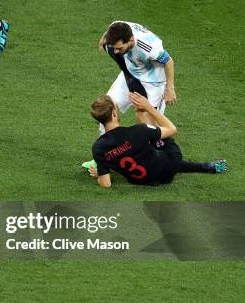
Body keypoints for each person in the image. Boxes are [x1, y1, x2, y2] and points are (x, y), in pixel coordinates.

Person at [88, 92, 226, 188]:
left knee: (146, 132)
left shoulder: (98, 148)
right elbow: (172, 129)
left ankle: (205, 167)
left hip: (142, 181)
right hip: (167, 171)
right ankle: (206, 167)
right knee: (154, 131)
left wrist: (100, 174)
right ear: (113, 113)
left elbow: (106, 184)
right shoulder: (137, 130)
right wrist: (148, 107)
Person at [98, 20, 177, 117]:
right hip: (131, 71)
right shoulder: (119, 27)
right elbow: (113, 25)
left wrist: (169, 89)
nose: (116, 51)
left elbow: (169, 61)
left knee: (150, 124)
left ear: (131, 40)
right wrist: (104, 37)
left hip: (153, 83)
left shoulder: (150, 48)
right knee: (107, 109)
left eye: (119, 48)